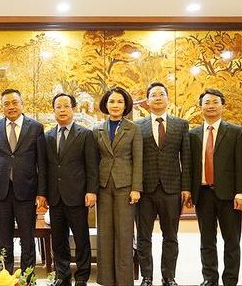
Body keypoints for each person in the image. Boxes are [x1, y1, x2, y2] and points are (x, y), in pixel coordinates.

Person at [0, 88, 48, 274]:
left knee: (28, 238)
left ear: (21, 103)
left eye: (14, 102)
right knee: (4, 238)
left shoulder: (35, 127)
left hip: (26, 191)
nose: (11, 107)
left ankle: (28, 277)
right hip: (1, 191)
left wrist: (42, 192)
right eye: (6, 104)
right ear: (2, 106)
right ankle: (5, 275)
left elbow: (41, 163)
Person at [135, 81, 191, 286]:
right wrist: (135, 187)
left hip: (172, 189)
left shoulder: (181, 124)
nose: (158, 98)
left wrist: (186, 187)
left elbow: (186, 157)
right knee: (143, 236)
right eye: (153, 95)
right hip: (145, 189)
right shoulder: (137, 126)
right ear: (147, 101)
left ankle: (169, 276)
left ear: (167, 99)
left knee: (171, 236)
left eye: (161, 94)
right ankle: (147, 276)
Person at [189, 89, 242, 286]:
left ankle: (230, 280)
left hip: (229, 195)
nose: (211, 106)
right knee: (207, 240)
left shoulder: (235, 131)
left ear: (223, 105)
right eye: (206, 102)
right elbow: (190, 166)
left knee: (232, 241)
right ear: (200, 107)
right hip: (203, 193)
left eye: (215, 102)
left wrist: (241, 192)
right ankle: (210, 278)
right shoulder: (193, 134)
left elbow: (241, 164)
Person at [45, 93, 98, 286]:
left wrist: (91, 191)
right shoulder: (48, 135)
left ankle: (82, 276)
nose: (62, 110)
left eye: (66, 106)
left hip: (77, 195)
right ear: (54, 111)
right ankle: (62, 274)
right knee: (58, 239)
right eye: (58, 107)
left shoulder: (85, 134)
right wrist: (43, 194)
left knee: (81, 237)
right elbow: (45, 168)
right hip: (55, 196)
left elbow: (91, 166)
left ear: (73, 109)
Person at [93, 87, 143, 286]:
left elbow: (138, 160)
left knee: (124, 233)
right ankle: (105, 279)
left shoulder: (134, 128)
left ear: (126, 105)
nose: (115, 105)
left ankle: (124, 281)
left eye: (119, 102)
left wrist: (136, 188)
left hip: (126, 186)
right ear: (106, 104)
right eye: (112, 101)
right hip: (103, 185)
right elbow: (93, 160)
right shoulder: (96, 128)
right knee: (104, 233)